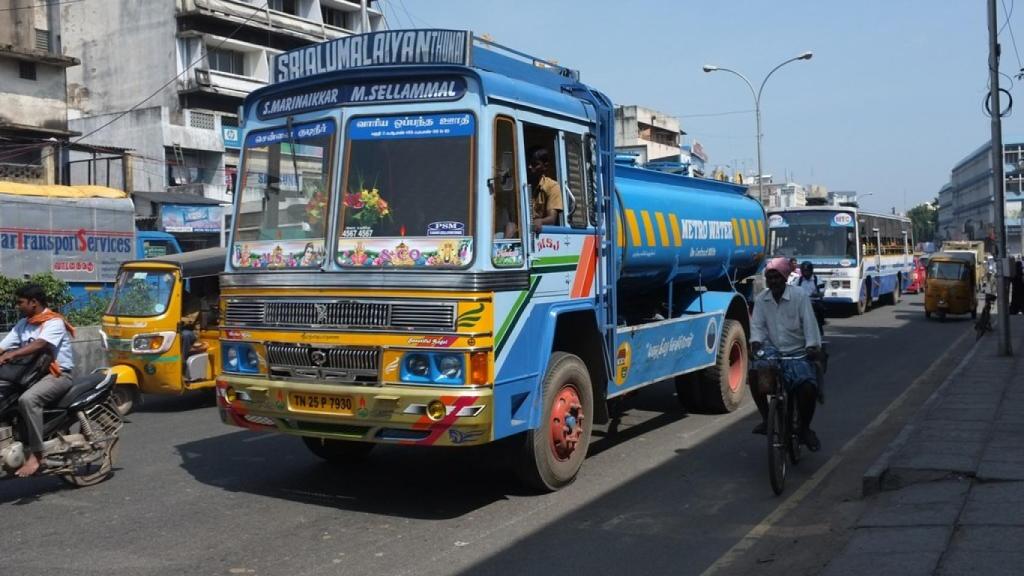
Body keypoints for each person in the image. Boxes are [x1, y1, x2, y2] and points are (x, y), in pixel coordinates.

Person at [0, 284, 75, 477]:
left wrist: (12, 355)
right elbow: (3, 346)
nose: (18, 306)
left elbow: (40, 344)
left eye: (20, 302)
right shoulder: (23, 324)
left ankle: (37, 454)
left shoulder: (53, 322)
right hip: (29, 376)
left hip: (57, 376)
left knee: (28, 400)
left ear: (34, 302)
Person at [749, 258, 823, 451]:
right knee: (754, 374)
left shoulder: (799, 296)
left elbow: (809, 324)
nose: (772, 281)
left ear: (784, 278)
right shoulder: (761, 300)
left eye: (776, 277)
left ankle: (805, 429)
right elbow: (756, 327)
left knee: (808, 389)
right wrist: (755, 344)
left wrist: (812, 346)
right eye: (769, 277)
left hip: (797, 352)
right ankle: (767, 419)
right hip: (773, 353)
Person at [527, 147, 563, 233]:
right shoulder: (522, 184)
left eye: (535, 164)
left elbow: (552, 219)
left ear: (545, 166)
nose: (530, 167)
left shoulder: (552, 186)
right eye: (529, 163)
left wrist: (540, 221)